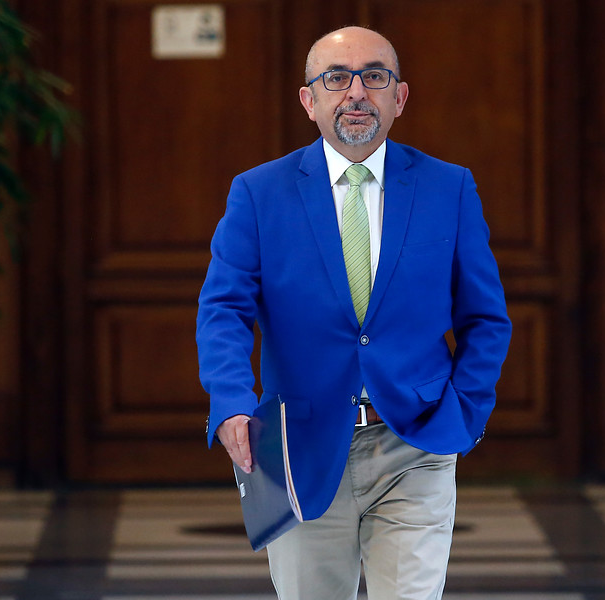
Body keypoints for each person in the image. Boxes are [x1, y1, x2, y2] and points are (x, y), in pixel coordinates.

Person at [196, 25, 512, 600]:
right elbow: (224, 308)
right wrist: (231, 400)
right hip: (300, 444)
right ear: (308, 99)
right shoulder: (258, 193)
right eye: (337, 79)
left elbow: (485, 318)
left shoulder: (449, 188)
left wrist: (464, 412)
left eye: (375, 77)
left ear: (400, 96)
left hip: (415, 441)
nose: (356, 93)